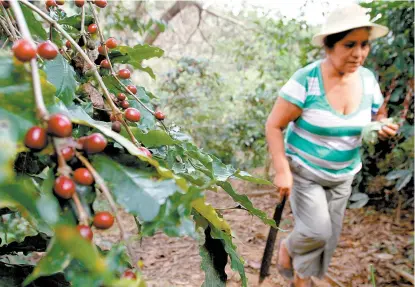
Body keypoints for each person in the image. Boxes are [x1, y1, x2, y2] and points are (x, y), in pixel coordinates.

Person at [265, 3, 400, 287]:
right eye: (349, 44)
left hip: (344, 173)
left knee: (331, 235)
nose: (359, 53)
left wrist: (382, 127)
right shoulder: (307, 80)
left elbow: (377, 114)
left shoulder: (367, 80)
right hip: (306, 170)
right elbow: (274, 125)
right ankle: (290, 251)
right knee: (316, 231)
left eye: (364, 45)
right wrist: (281, 170)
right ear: (329, 46)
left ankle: (305, 277)